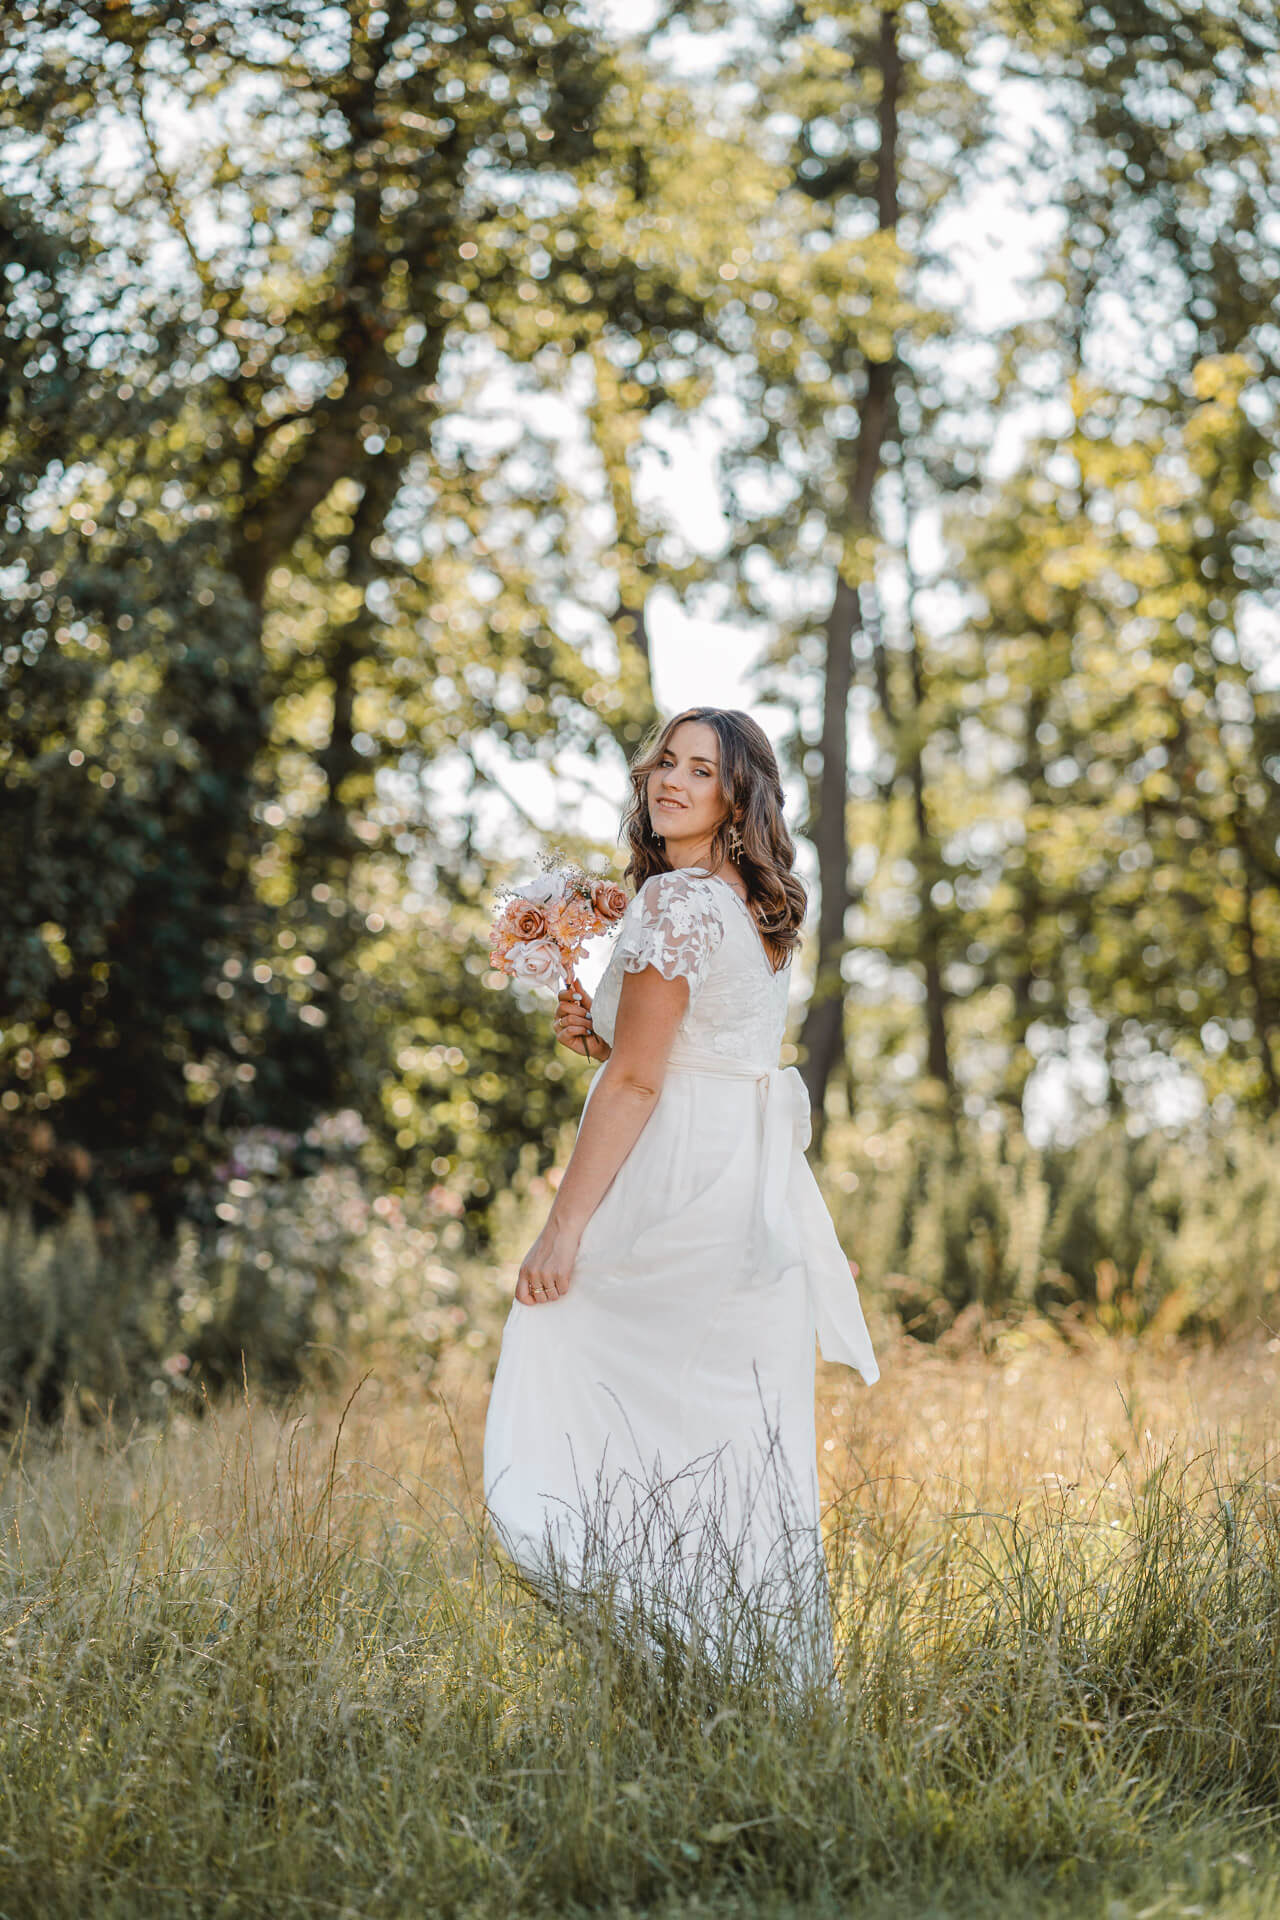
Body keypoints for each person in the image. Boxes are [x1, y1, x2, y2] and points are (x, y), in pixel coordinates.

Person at [483, 707, 878, 1682]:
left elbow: (637, 1083)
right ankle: (746, 1672)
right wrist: (600, 1030)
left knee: (574, 1351)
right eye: (665, 760)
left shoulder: (673, 904)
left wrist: (561, 1228)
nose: (670, 779)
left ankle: (656, 1654)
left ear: (735, 797)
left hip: (677, 1177)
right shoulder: (755, 903)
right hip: (748, 1184)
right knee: (729, 1432)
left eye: (699, 770)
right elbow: (680, 1047)